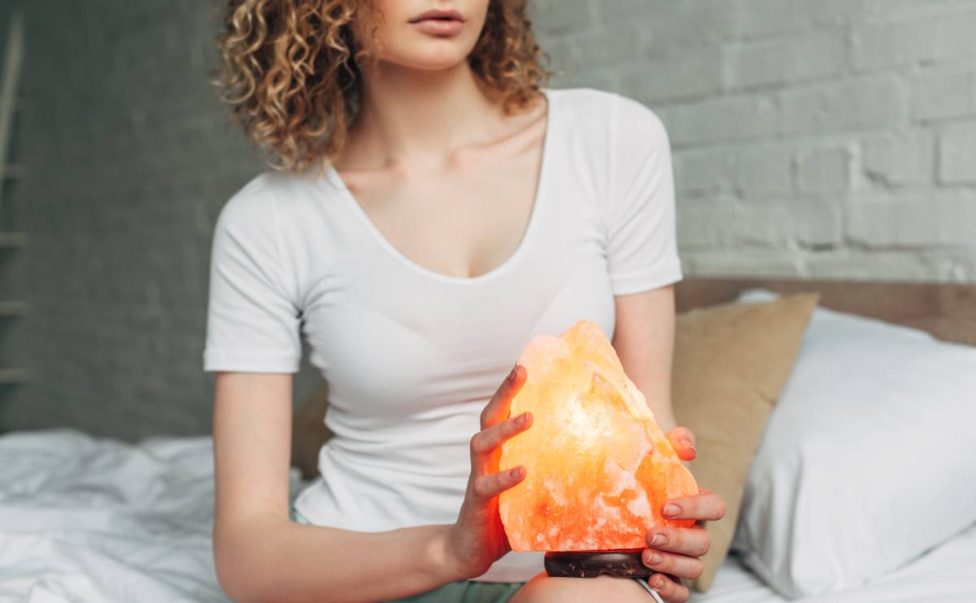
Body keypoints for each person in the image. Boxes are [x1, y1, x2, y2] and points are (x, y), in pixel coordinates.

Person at [204, 1, 726, 602]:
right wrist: (449, 550)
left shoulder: (612, 140)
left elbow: (647, 421)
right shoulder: (268, 219)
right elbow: (246, 551)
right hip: (361, 571)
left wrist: (667, 528)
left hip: (558, 578)